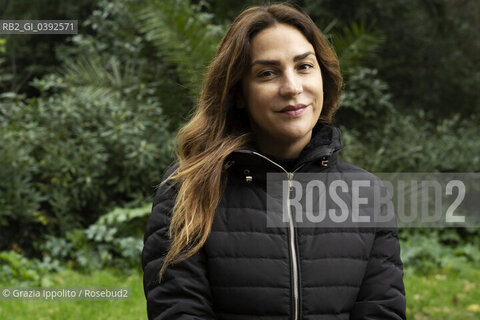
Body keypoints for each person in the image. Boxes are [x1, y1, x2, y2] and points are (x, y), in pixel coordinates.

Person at [142, 3, 406, 320]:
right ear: (238, 92)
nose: (292, 87)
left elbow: (382, 312)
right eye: (267, 73)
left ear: (324, 76)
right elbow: (178, 311)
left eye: (304, 66)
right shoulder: (187, 189)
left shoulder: (368, 194)